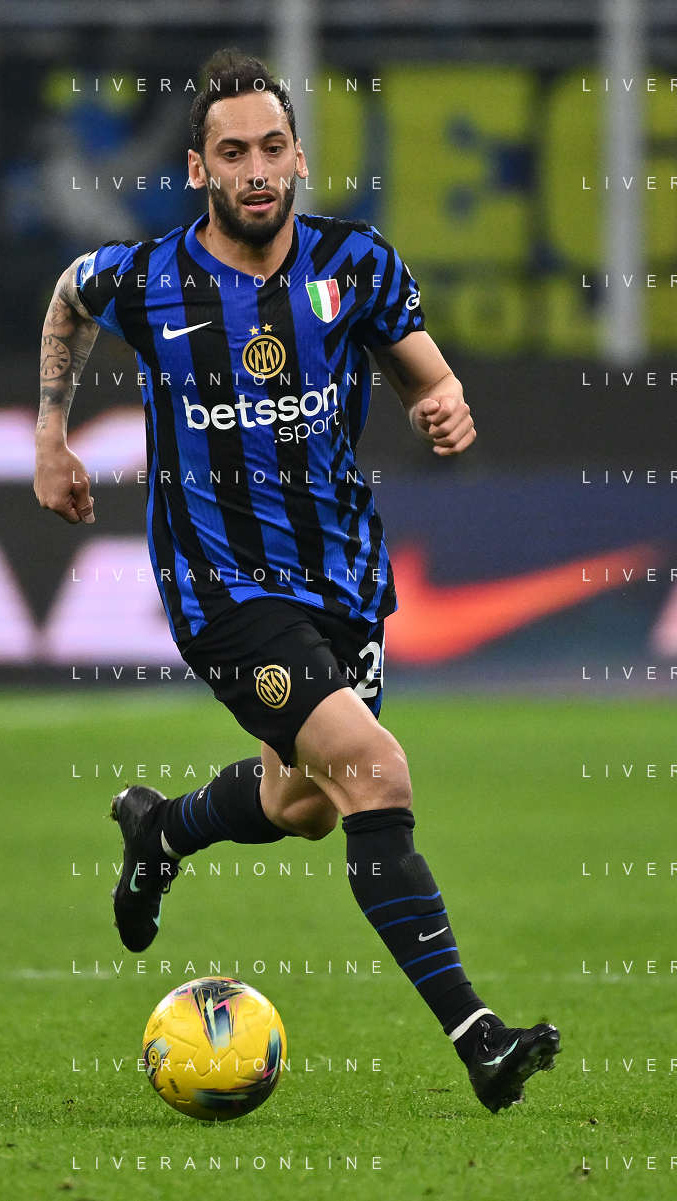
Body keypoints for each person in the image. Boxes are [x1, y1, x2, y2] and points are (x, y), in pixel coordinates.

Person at [34, 49, 559, 1113]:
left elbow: (425, 370)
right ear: (199, 170)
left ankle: (162, 830)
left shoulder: (355, 263)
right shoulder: (150, 278)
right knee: (374, 771)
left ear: (298, 156)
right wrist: (51, 434)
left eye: (271, 147)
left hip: (343, 577)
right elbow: (67, 297)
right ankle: (479, 1038)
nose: (256, 169)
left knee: (304, 803)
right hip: (223, 590)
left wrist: (443, 404)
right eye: (232, 153)